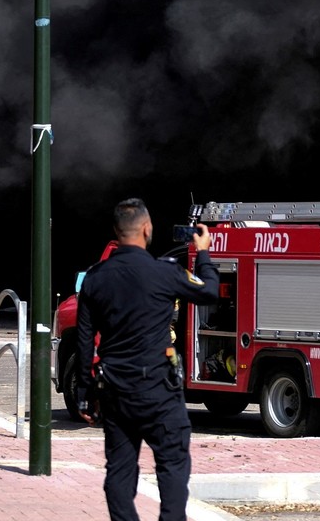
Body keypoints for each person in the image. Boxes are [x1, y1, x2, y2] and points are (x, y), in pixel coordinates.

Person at [76, 198, 219, 521]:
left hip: (115, 392)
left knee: (119, 470)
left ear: (117, 232)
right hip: (158, 391)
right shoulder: (164, 272)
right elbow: (209, 291)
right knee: (172, 464)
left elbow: (85, 340)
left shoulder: (95, 279)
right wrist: (203, 253)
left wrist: (85, 392)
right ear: (146, 228)